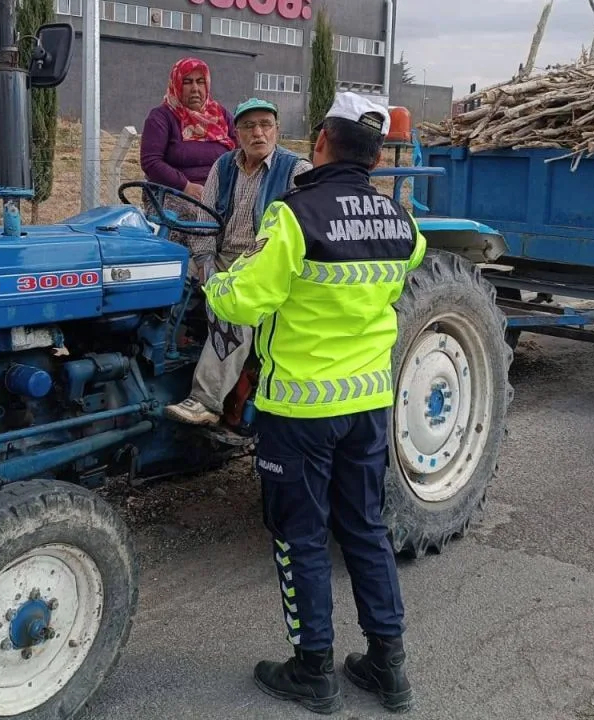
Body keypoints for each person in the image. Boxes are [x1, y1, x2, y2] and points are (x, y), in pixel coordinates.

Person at [203, 93, 426, 715]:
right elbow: (408, 263)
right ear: (376, 154)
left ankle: (313, 671)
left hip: (300, 411)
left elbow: (245, 301)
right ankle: (389, 665)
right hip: (367, 404)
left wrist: (214, 284)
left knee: (300, 536)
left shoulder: (294, 217)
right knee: (365, 528)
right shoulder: (398, 223)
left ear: (321, 142)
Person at [164, 97, 312, 427]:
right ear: (237, 133)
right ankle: (161, 360)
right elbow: (205, 219)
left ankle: (206, 401)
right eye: (248, 126)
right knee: (164, 277)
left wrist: (241, 272)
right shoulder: (224, 166)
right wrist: (204, 262)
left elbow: (294, 233)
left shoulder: (296, 170)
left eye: (265, 125)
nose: (257, 133)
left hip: (263, 262)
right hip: (219, 255)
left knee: (235, 305)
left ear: (277, 130)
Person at [140, 58, 237, 261]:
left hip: (218, 192)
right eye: (187, 82)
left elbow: (240, 154)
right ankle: (187, 276)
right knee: (193, 219)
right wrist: (187, 187)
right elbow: (151, 162)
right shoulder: (162, 117)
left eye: (200, 82)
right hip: (173, 192)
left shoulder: (221, 116)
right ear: (176, 84)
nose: (195, 88)